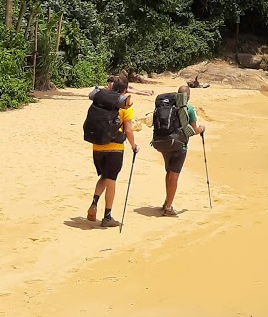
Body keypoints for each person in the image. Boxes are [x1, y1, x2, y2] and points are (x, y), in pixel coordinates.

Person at [85, 79, 138, 228]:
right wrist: (134, 146)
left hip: (97, 146)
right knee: (111, 180)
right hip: (114, 148)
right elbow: (128, 130)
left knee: (104, 176)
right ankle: (107, 216)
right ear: (125, 91)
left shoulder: (100, 102)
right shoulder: (125, 107)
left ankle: (94, 202)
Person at [150, 81, 204, 217]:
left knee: (168, 172)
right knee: (174, 175)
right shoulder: (189, 109)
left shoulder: (165, 106)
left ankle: (167, 201)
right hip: (180, 145)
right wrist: (202, 129)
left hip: (163, 142)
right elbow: (193, 130)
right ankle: (168, 207)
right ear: (188, 96)